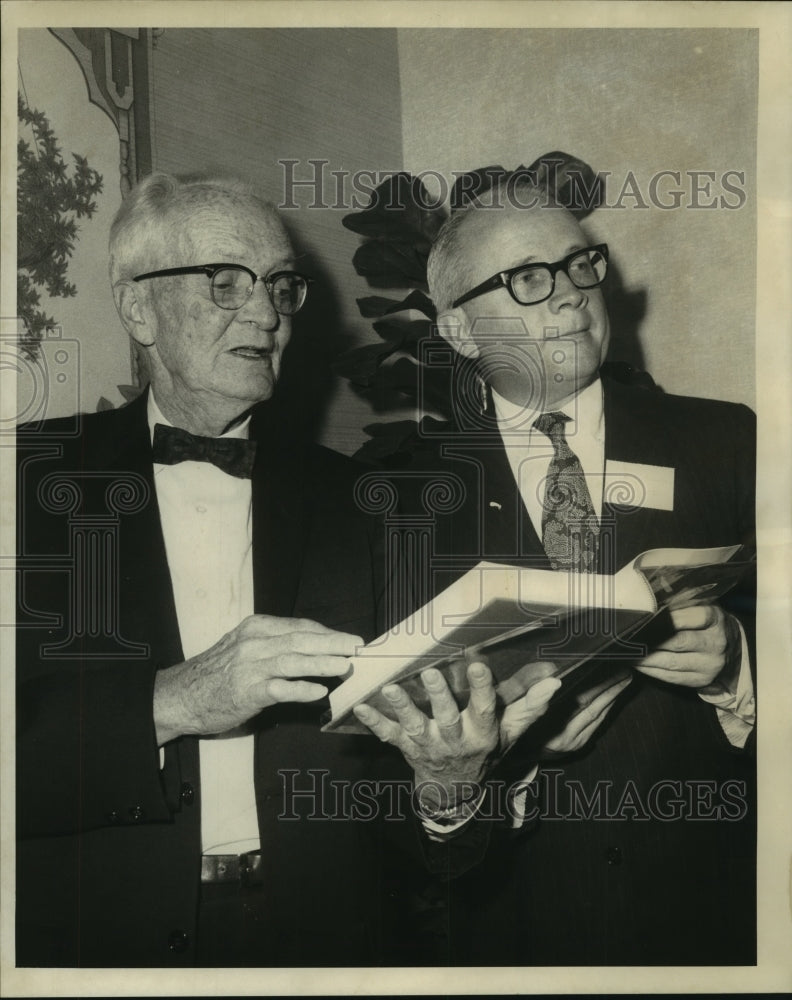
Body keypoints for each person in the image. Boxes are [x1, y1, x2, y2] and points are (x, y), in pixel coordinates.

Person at [15, 172, 560, 968]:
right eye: (225, 281)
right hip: (91, 944)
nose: (267, 313)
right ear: (138, 309)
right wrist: (174, 700)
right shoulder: (26, 481)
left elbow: (415, 826)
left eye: (280, 285)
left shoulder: (363, 504)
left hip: (326, 944)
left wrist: (451, 784)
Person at [354, 180, 756, 965]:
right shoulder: (399, 503)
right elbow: (381, 784)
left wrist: (740, 664)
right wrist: (478, 767)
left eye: (579, 266)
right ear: (461, 330)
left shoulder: (727, 441)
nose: (571, 297)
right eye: (528, 278)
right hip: (523, 931)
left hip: (718, 918)